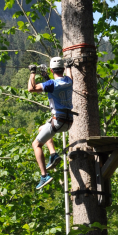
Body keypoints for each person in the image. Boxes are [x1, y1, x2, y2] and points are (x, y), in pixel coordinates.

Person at [28, 57, 74, 190]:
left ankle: (44, 175)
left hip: (58, 121)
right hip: (68, 121)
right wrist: (69, 66)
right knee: (41, 129)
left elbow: (31, 88)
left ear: (51, 70)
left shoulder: (52, 84)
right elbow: (60, 81)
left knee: (36, 144)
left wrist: (32, 73)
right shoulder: (69, 81)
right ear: (63, 69)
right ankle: (53, 154)